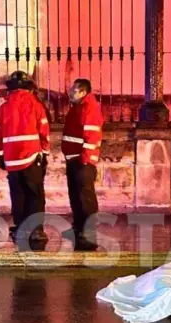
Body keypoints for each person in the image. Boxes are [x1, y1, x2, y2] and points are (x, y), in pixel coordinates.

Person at [0, 71, 50, 251]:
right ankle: (36, 230)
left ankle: (21, 229)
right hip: (32, 157)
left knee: (18, 195)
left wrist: (2, 154)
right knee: (35, 194)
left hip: (12, 159)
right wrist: (45, 152)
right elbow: (43, 130)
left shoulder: (3, 108)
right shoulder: (35, 105)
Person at [61, 79, 103, 251]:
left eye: (75, 90)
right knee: (76, 197)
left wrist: (85, 159)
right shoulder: (78, 108)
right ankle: (79, 228)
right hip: (75, 159)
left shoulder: (89, 108)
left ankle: (88, 233)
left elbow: (92, 135)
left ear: (83, 92)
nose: (71, 92)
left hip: (81, 161)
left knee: (85, 198)